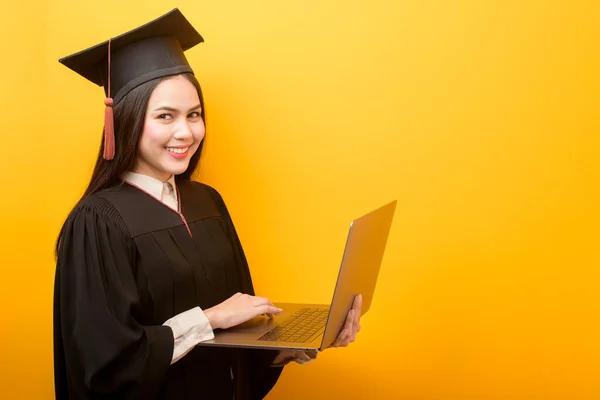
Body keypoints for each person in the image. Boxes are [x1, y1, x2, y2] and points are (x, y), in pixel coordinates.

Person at [53, 8, 362, 400]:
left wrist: (300, 343)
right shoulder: (98, 220)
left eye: (194, 115)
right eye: (165, 116)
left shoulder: (207, 203)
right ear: (126, 121)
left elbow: (240, 335)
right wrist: (209, 319)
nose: (186, 132)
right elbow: (106, 363)